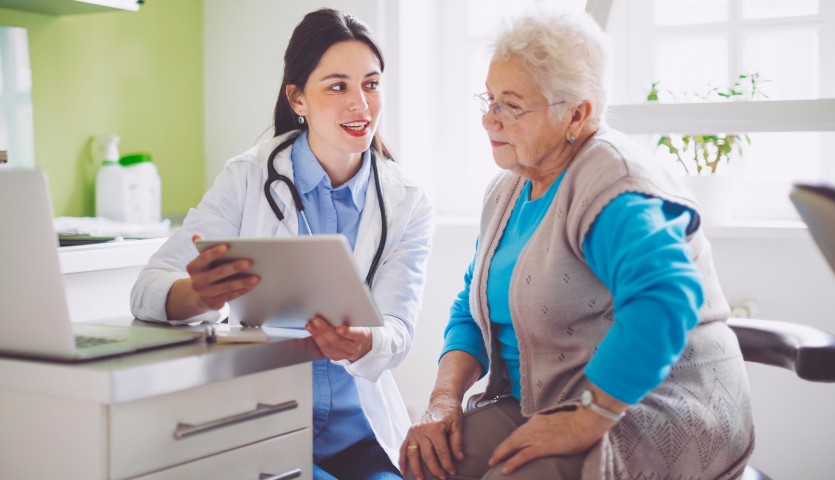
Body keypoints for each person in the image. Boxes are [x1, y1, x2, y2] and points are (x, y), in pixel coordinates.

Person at [400, 10, 753, 480]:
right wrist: (444, 399)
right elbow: (473, 304)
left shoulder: (613, 183)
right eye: (488, 99)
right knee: (425, 465)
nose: (489, 118)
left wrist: (587, 420)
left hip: (650, 406)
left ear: (577, 114)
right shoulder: (508, 188)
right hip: (543, 403)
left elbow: (666, 298)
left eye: (510, 105)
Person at [131, 8, 433, 480]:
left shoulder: (407, 202)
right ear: (298, 98)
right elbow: (147, 287)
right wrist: (199, 295)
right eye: (338, 86)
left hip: (364, 437)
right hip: (269, 422)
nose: (360, 104)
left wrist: (360, 341)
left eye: (371, 85)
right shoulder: (248, 177)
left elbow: (398, 331)